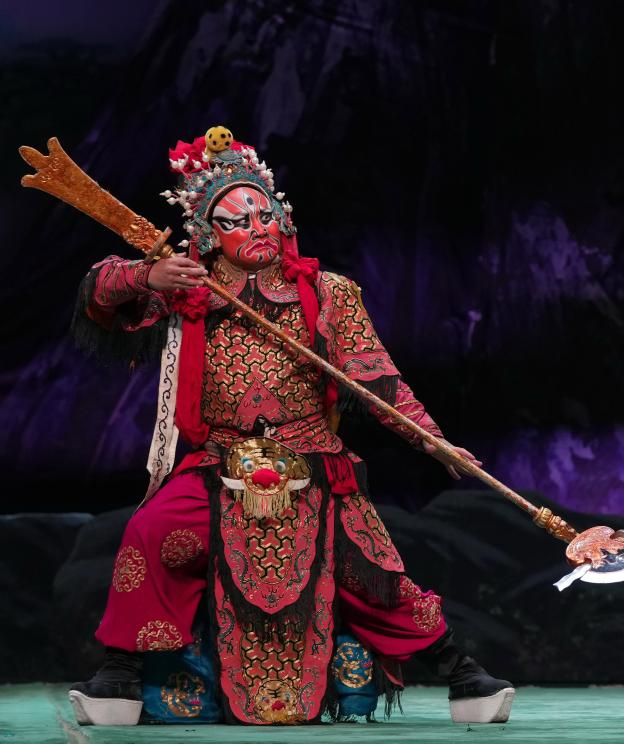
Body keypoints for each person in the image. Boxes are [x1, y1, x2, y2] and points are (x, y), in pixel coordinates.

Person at [67, 127, 514, 726]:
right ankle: (119, 675)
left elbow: (380, 381)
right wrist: (149, 277)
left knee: (372, 570)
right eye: (235, 221)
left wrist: (435, 443)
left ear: (282, 218)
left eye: (263, 215)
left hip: (313, 463)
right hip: (219, 464)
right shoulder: (185, 288)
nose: (255, 228)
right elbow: (99, 292)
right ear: (208, 234)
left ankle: (461, 673)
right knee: (152, 534)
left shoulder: (330, 294)